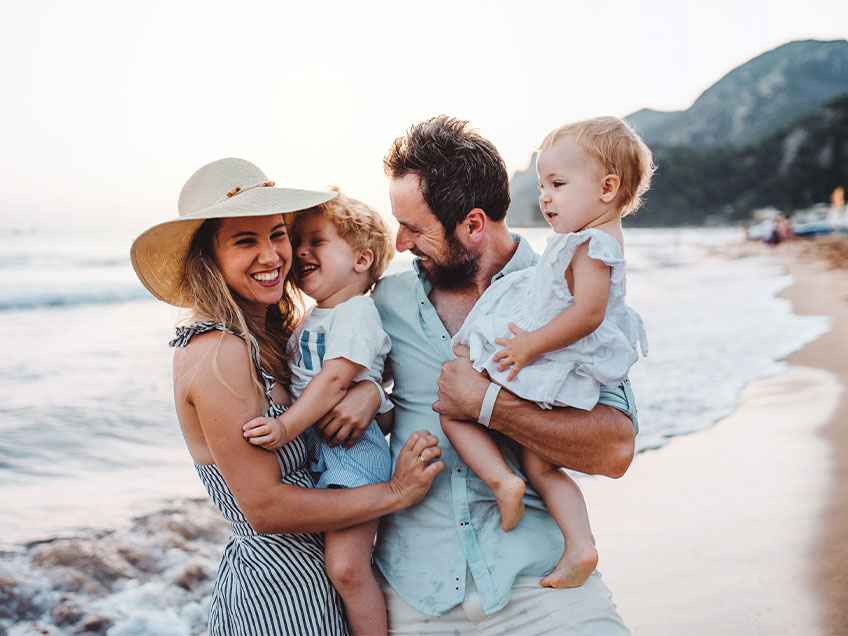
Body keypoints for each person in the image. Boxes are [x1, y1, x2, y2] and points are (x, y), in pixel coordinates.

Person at [130, 158, 443, 636]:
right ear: (208, 257)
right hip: (278, 599)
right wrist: (395, 493)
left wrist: (369, 394)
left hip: (321, 585)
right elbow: (266, 509)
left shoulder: (276, 338)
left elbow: (331, 403)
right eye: (244, 241)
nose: (273, 255)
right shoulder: (218, 352)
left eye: (277, 234)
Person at [372, 117, 637, 635]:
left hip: (542, 584)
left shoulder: (567, 291)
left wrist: (486, 403)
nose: (400, 243)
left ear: (473, 224)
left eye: (415, 228)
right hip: (415, 593)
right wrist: (362, 397)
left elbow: (615, 450)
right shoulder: (384, 304)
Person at [447, 116, 652, 589]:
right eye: (542, 185)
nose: (544, 197)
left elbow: (587, 315)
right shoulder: (591, 239)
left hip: (552, 360)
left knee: (455, 408)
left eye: (557, 184)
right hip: (561, 362)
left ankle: (502, 481)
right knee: (541, 462)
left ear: (607, 188)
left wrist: (527, 346)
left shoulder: (592, 244)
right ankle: (580, 546)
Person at [242, 188, 395, 636]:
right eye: (299, 240)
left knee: (346, 569)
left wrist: (286, 426)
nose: (301, 251)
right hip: (321, 452)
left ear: (362, 260)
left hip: (353, 453)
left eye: (317, 240)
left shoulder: (356, 312)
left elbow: (333, 380)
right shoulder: (315, 318)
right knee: (341, 565)